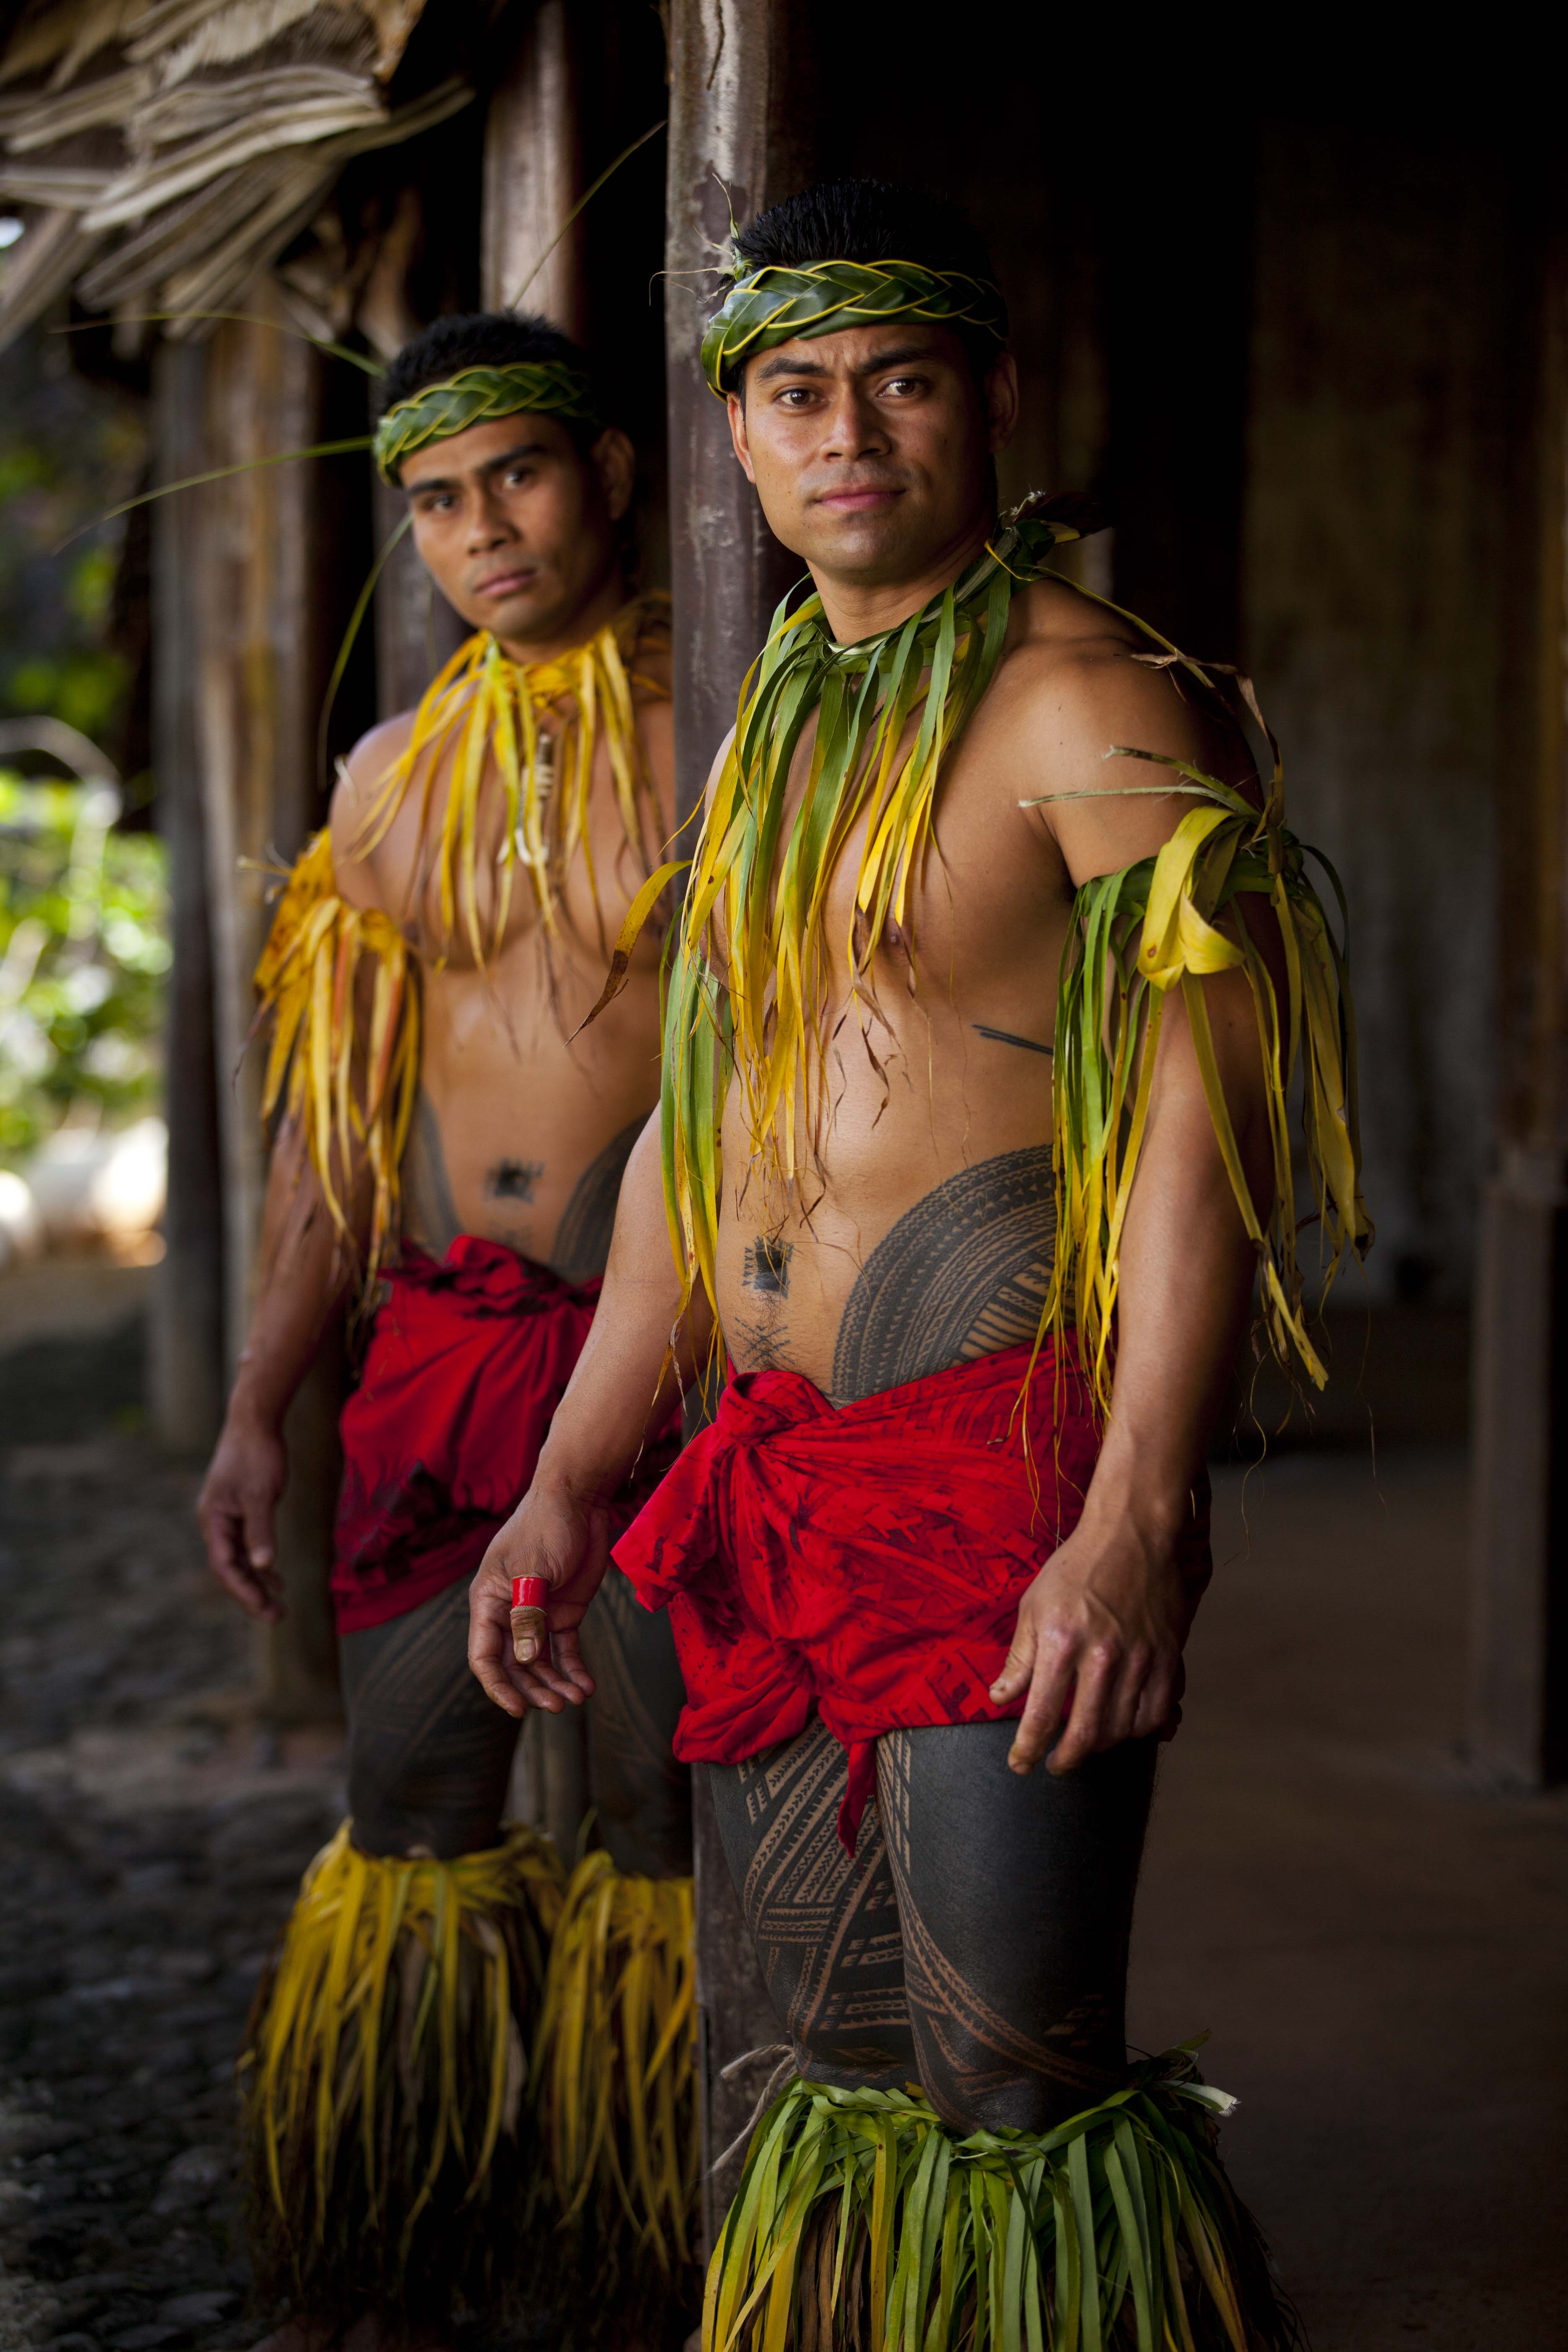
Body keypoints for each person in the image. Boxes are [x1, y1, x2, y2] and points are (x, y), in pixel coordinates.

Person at [470, 181, 1368, 2349]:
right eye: (797, 390)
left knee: (1010, 2084)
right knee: (814, 2065)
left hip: (989, 1471)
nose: (847, 427)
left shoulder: (1094, 703)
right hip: (769, 1472)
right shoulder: (785, 719)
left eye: (901, 380)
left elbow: (1206, 1121)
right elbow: (711, 1115)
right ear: (742, 440)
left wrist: (1141, 1518)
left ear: (990, 405)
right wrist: (580, 1467)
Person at [195, 312, 695, 2350]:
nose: (481, 530)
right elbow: (334, 1131)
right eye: (437, 502)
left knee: (665, 1821)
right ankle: (408, 2228)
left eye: (518, 477)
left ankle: (644, 2248)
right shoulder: (388, 785)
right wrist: (257, 1403)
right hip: (435, 1352)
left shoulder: (740, 735)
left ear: (612, 472)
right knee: (410, 1798)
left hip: (660, 1357)